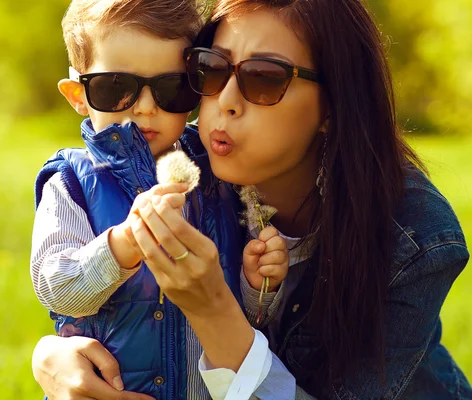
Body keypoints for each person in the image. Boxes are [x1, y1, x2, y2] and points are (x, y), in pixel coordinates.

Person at [31, 0, 472, 399]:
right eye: (211, 70)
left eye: (263, 79)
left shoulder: (417, 240)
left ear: (334, 106)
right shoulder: (182, 168)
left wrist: (214, 308)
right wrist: (52, 354)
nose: (225, 101)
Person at [30, 0, 288, 398]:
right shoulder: (70, 183)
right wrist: (123, 245)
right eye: (116, 87)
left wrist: (257, 284)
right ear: (78, 95)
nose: (146, 107)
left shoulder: (217, 177)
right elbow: (57, 289)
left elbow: (244, 322)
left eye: (170, 88)